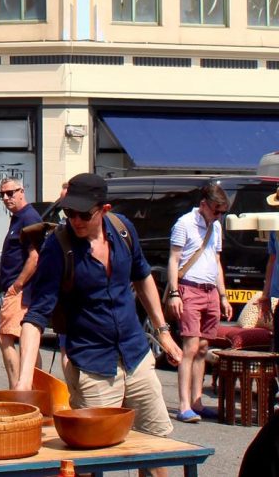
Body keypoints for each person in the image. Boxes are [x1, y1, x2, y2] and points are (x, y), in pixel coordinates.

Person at [16, 173, 181, 477]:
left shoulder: (123, 230)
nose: (74, 220)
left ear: (104, 209)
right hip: (93, 363)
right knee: (92, 458)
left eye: (83, 214)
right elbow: (36, 317)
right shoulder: (58, 246)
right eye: (69, 213)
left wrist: (163, 331)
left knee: (155, 446)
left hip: (135, 353)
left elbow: (142, 276)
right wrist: (24, 381)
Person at [166, 183, 231, 422]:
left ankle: (197, 401)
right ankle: (184, 405)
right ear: (203, 204)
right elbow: (173, 260)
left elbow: (216, 261)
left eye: (222, 212)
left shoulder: (216, 227)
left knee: (203, 348)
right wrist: (174, 293)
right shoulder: (184, 224)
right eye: (216, 210)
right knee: (190, 348)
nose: (219, 215)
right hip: (190, 288)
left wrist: (223, 295)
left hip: (210, 290)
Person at [0, 177, 43, 387]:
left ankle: (17, 389)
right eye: (2, 194)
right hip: (17, 289)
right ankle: (36, 388)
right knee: (27, 340)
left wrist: (17, 286)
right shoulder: (18, 218)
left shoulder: (28, 217)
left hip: (21, 291)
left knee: (4, 337)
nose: (6, 198)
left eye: (10, 193)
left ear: (22, 191)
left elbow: (35, 257)